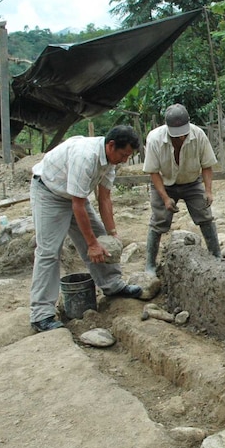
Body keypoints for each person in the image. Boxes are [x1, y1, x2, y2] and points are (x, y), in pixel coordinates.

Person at [29, 125, 143, 333]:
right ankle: (41, 314)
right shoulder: (86, 157)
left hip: (73, 196)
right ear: (111, 145)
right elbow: (78, 204)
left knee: (100, 235)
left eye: (129, 155)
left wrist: (112, 233)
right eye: (124, 154)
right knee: (49, 251)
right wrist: (91, 244)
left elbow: (105, 198)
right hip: (49, 193)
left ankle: (112, 284)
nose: (125, 159)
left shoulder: (110, 160)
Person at [143, 103, 221, 276]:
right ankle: (149, 264)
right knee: (158, 221)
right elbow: (153, 172)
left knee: (205, 216)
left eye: (184, 134)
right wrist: (164, 198)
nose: (181, 138)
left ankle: (217, 256)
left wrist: (208, 190)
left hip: (192, 182)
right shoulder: (155, 139)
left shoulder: (198, 135)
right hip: (164, 183)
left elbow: (207, 165)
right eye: (176, 135)